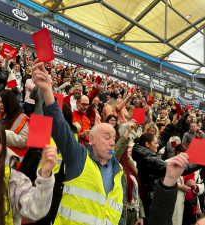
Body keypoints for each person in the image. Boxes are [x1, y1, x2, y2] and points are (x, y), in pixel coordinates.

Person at [32, 58, 126, 225]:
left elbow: (119, 214)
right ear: (92, 139)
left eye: (113, 138)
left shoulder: (119, 172)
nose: (112, 142)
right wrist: (47, 90)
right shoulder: (79, 157)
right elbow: (60, 128)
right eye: (107, 137)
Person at [132, 114, 202, 224]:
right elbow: (178, 170)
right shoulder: (149, 159)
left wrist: (173, 123)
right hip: (150, 199)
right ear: (147, 144)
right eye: (154, 143)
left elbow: (161, 140)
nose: (157, 145)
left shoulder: (144, 152)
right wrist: (203, 161)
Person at [36, 102, 80, 225]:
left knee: (55, 209)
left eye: (61, 114)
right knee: (43, 211)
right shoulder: (45, 128)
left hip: (63, 177)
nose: (57, 116)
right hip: (46, 174)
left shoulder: (73, 134)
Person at [114, 120, 145, 225]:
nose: (130, 150)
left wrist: (141, 215)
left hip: (133, 214)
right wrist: (127, 132)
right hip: (121, 214)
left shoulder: (131, 165)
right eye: (127, 148)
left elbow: (136, 192)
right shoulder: (115, 166)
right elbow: (116, 154)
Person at [171, 143, 205, 225]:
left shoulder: (193, 166)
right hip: (175, 203)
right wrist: (178, 187)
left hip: (192, 205)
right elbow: (160, 183)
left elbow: (201, 185)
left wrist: (195, 186)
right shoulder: (168, 164)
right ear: (178, 153)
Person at [0, 90, 29, 158]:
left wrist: (2, 132)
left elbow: (24, 142)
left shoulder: (22, 118)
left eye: (2, 102)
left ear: (10, 102)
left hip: (12, 160)